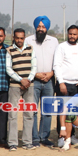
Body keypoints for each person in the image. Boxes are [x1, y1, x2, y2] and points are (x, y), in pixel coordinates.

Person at [26, 16, 59, 147]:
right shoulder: (29, 40)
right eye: (39, 26)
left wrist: (51, 73)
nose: (41, 29)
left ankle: (44, 137)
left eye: (43, 27)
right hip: (34, 80)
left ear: (47, 28)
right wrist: (36, 74)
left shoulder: (54, 41)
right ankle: (34, 138)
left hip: (49, 80)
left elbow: (57, 60)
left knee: (47, 110)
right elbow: (26, 60)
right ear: (35, 27)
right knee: (33, 110)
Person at [53, 25, 78, 148]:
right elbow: (56, 65)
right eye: (70, 34)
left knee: (73, 112)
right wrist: (61, 82)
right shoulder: (61, 47)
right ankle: (61, 137)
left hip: (76, 84)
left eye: (74, 34)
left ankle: (71, 136)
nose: (72, 36)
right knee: (62, 111)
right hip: (64, 84)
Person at [6, 28, 35, 151]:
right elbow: (8, 68)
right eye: (17, 38)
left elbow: (34, 66)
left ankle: (27, 142)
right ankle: (13, 142)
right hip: (15, 85)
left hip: (29, 85)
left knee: (29, 113)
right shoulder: (9, 50)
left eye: (21, 38)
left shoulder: (31, 49)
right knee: (12, 114)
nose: (19, 40)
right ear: (14, 38)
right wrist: (21, 80)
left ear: (24, 38)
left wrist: (28, 80)